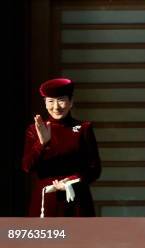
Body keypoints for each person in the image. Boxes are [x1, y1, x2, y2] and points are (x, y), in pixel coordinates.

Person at [22, 78, 101, 217]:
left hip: (77, 199)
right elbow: (27, 166)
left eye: (61, 100)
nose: (56, 107)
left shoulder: (83, 128)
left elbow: (94, 169)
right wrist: (42, 144)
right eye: (51, 101)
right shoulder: (35, 129)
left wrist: (71, 181)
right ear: (45, 103)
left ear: (71, 102)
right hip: (46, 200)